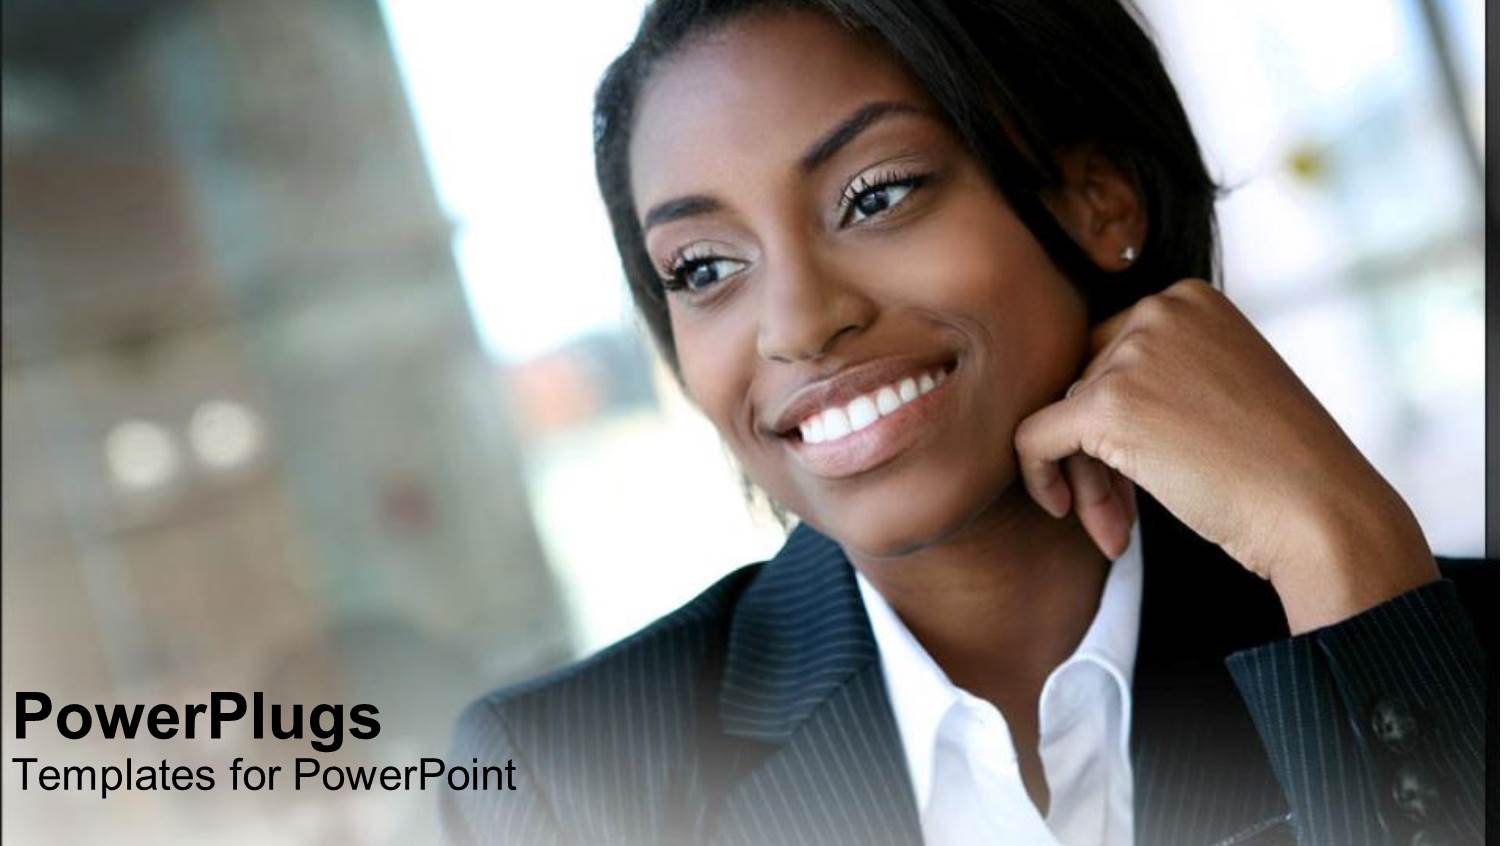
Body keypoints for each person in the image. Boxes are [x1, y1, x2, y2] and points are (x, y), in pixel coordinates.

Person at [442, 1, 1493, 844]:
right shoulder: (569, 780)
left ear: (1099, 198)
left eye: (875, 196)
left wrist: (1337, 547)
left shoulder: (1449, 648)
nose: (799, 324)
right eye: (705, 268)